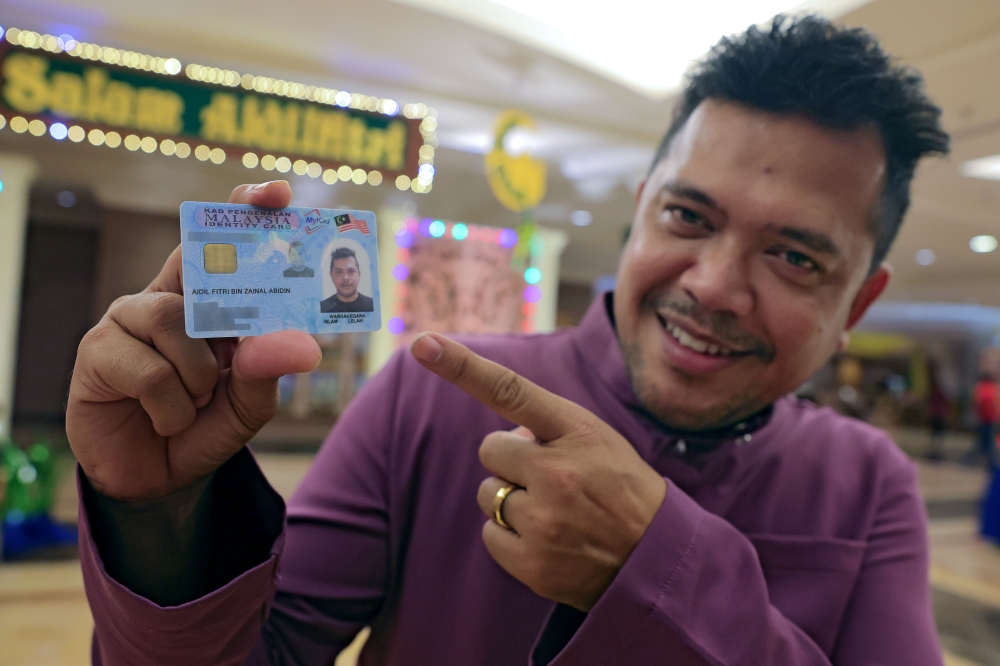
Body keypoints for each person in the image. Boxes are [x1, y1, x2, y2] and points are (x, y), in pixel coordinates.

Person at [67, 16, 949, 666]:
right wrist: (164, 520)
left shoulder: (870, 487)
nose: (714, 283)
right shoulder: (431, 392)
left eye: (794, 255)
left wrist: (662, 570)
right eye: (688, 215)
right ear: (640, 209)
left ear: (859, 302)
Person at [319, 246, 374, 313]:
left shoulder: (372, 306)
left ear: (359, 274)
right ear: (331, 276)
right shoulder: (322, 309)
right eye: (339, 272)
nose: (345, 278)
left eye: (351, 271)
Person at [971, 372, 998, 467]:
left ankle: (982, 457)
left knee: (983, 438)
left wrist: (975, 413)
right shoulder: (993, 388)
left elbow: (976, 401)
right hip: (990, 417)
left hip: (982, 417)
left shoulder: (980, 387)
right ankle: (990, 460)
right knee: (989, 439)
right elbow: (996, 402)